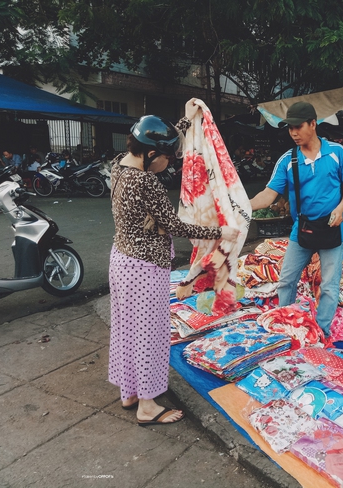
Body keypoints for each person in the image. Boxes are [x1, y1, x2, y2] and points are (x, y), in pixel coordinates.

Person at [108, 112, 239, 425]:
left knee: (127, 330)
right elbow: (175, 225)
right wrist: (221, 231)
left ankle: (130, 392)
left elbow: (153, 137)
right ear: (152, 154)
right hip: (145, 267)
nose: (171, 162)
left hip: (121, 261)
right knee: (149, 335)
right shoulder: (146, 182)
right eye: (168, 156)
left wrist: (183, 121)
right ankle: (148, 406)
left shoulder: (119, 165)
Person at [249, 102, 343, 336]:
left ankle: (321, 332)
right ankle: (286, 324)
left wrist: (340, 209)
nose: (293, 133)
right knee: (286, 281)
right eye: (290, 129)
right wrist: (241, 206)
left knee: (329, 286)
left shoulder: (337, 153)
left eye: (298, 127)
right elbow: (269, 195)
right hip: (302, 229)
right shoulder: (287, 160)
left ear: (313, 124)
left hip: (332, 228)